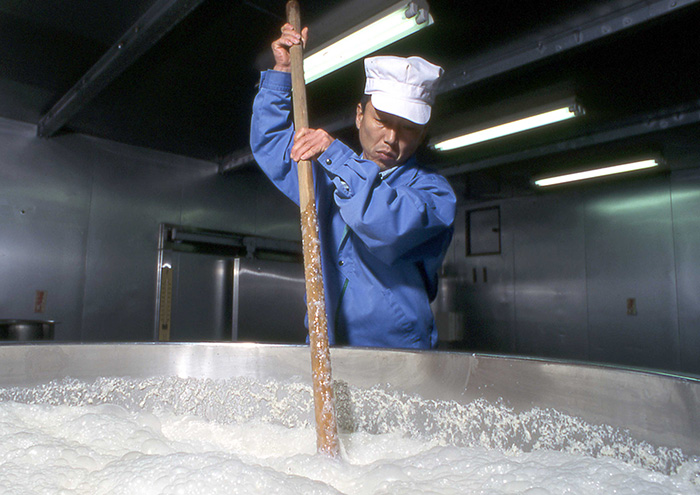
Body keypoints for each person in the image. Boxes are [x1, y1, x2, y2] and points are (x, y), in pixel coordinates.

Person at [250, 23, 456, 349]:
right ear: (359, 115)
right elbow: (274, 145)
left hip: (398, 356)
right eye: (382, 120)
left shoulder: (434, 195)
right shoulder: (327, 176)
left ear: (422, 134)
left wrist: (336, 156)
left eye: (408, 129)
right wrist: (282, 74)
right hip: (325, 346)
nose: (391, 137)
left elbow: (383, 223)